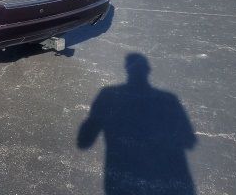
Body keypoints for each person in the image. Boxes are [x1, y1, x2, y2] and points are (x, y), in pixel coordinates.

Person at [78, 53, 197, 194]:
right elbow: (189, 141)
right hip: (162, 176)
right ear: (148, 70)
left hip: (120, 174)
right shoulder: (169, 99)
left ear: (127, 69)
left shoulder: (108, 94)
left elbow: (84, 142)